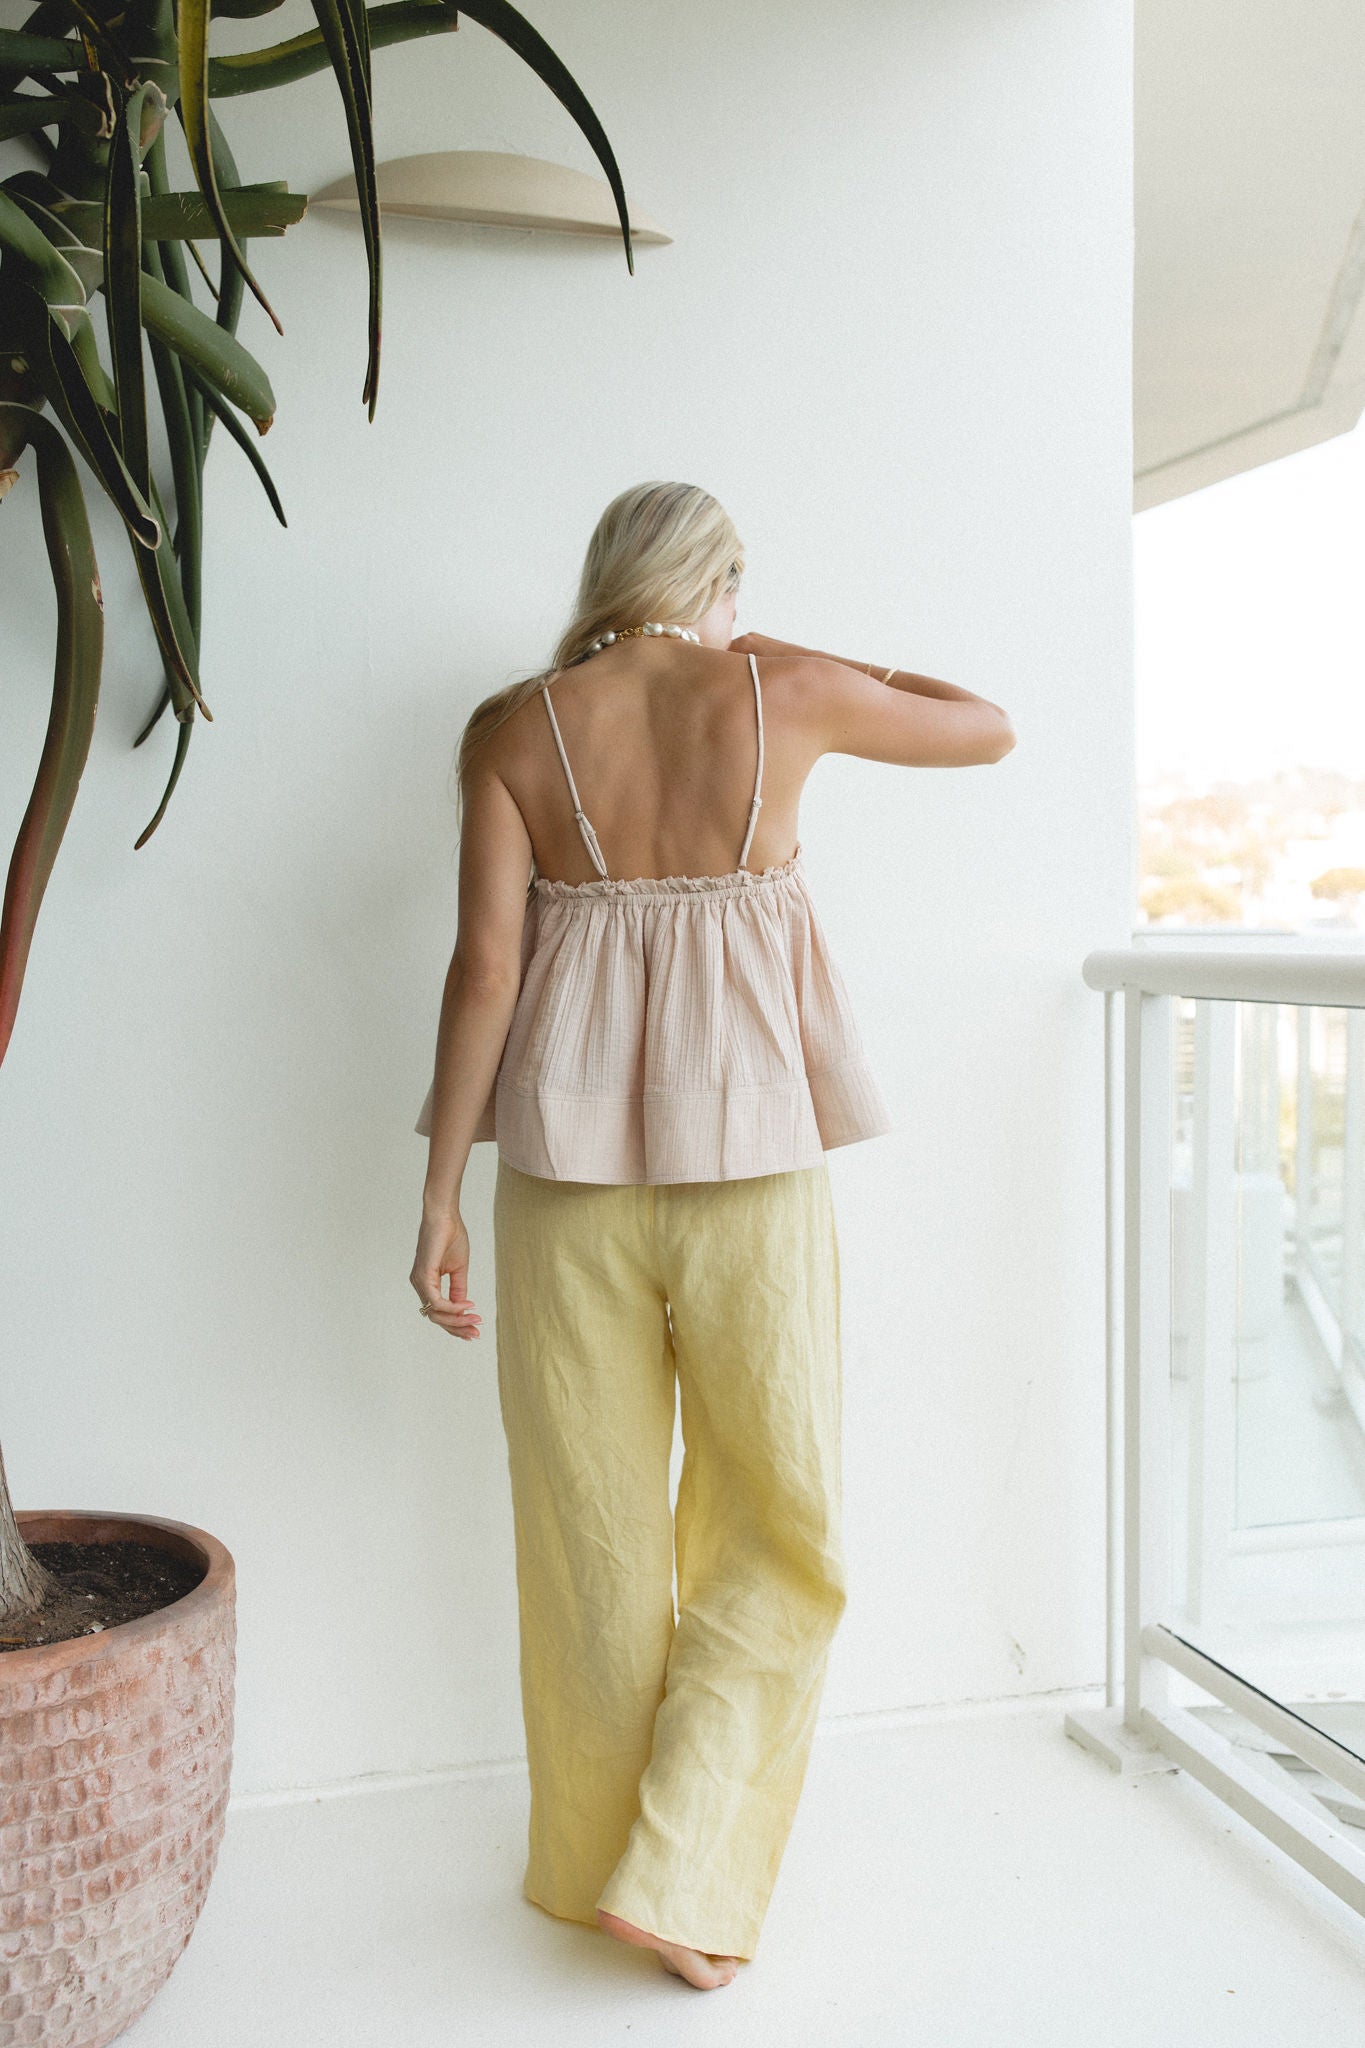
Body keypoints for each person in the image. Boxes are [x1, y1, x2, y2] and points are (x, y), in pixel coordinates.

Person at [410, 481, 1016, 1991]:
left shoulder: (514, 730)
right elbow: (987, 725)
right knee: (778, 1525)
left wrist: (436, 1199)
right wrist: (781, 649)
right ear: (717, 580)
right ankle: (682, 1880)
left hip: (560, 1191)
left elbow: (483, 968)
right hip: (752, 1179)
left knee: (589, 1536)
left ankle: (594, 1868)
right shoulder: (783, 694)